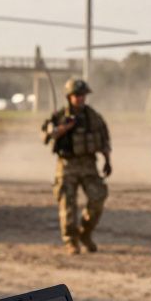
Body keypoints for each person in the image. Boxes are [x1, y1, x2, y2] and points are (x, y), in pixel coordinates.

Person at [41, 78, 111, 254]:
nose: (80, 98)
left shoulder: (92, 116)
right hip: (67, 165)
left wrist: (107, 160)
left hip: (89, 164)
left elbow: (103, 139)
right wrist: (63, 128)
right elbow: (46, 136)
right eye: (77, 95)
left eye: (82, 95)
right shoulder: (58, 116)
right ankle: (71, 240)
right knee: (68, 205)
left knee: (98, 198)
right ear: (69, 96)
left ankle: (85, 233)